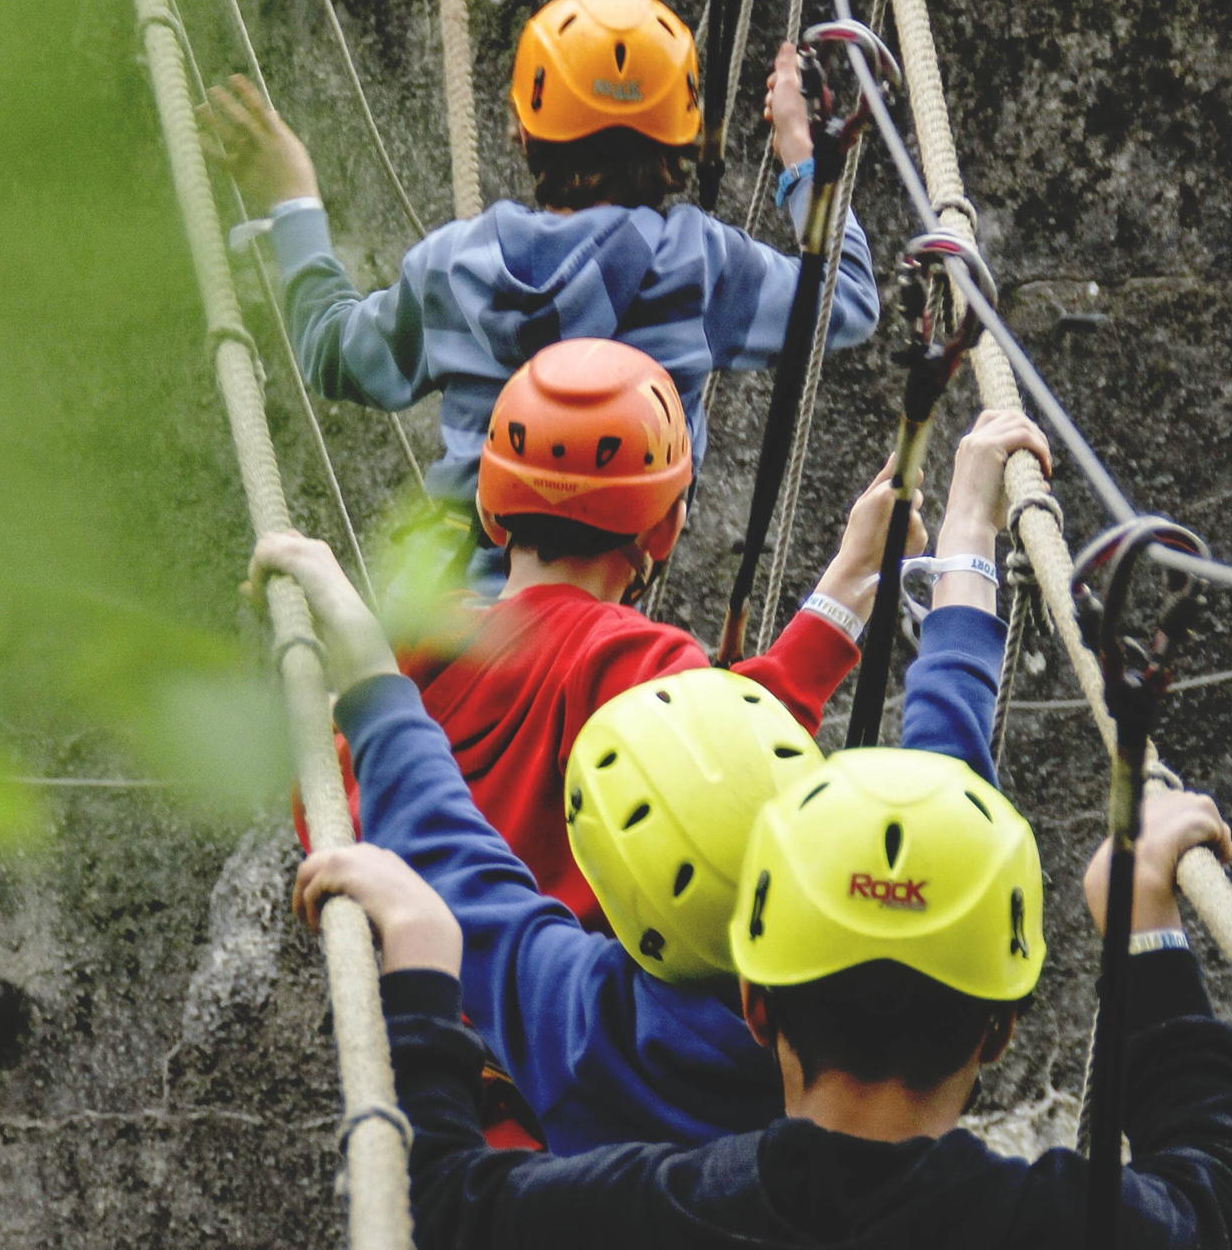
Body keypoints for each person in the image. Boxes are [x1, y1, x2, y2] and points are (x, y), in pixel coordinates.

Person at [253, 409, 1058, 1154]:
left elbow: (451, 854)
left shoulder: (593, 1031)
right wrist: (962, 536)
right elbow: (928, 796)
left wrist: (366, 679)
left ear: (494, 515)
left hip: (507, 1120)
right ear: (995, 1030)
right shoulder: (642, 661)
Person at [296, 773, 1232, 1249]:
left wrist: (423, 960)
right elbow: (1224, 1190)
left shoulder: (651, 1212)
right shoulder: (1066, 1225)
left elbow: (425, 1207)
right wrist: (1140, 923)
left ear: (755, 1007)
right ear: (1000, 1028)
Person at [199, 0, 879, 569]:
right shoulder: (701, 270)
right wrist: (800, 151)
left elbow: (332, 352)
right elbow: (847, 303)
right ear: (686, 135)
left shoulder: (457, 266)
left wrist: (291, 202)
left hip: (447, 628)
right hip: (601, 631)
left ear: (521, 130)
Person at [302, 337, 926, 932]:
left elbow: (341, 801)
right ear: (665, 529)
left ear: (491, 515)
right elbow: (742, 756)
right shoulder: (631, 659)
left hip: (414, 991)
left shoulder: (419, 652)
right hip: (557, 1016)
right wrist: (852, 577)